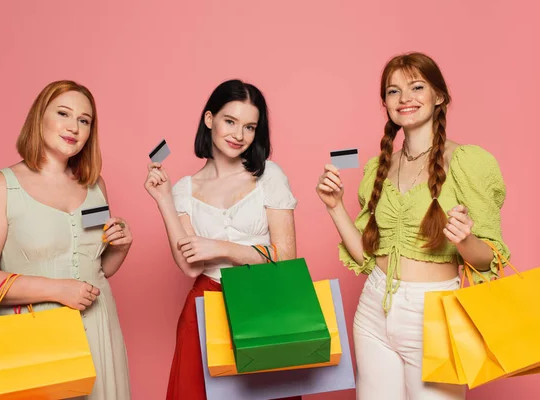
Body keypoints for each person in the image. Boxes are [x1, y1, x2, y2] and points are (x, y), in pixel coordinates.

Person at [316, 52, 510, 399]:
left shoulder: (468, 162)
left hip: (434, 314)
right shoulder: (377, 168)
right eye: (393, 91)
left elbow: (488, 260)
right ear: (386, 104)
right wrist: (335, 208)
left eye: (416, 87)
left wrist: (464, 240)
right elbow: (365, 257)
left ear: (439, 97)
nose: (405, 98)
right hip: (374, 310)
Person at [0, 80, 132, 399]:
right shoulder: (1, 188)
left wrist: (120, 246)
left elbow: (96, 267)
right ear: (39, 118)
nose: (74, 127)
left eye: (84, 120)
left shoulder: (94, 187)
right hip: (32, 335)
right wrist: (57, 289)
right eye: (64, 113)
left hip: (97, 329)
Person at [144, 79, 300, 400]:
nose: (238, 135)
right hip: (205, 303)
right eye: (230, 121)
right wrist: (163, 199)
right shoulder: (184, 190)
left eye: (249, 127)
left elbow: (285, 257)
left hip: (264, 300)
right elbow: (189, 267)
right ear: (209, 119)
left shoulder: (269, 176)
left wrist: (222, 249)